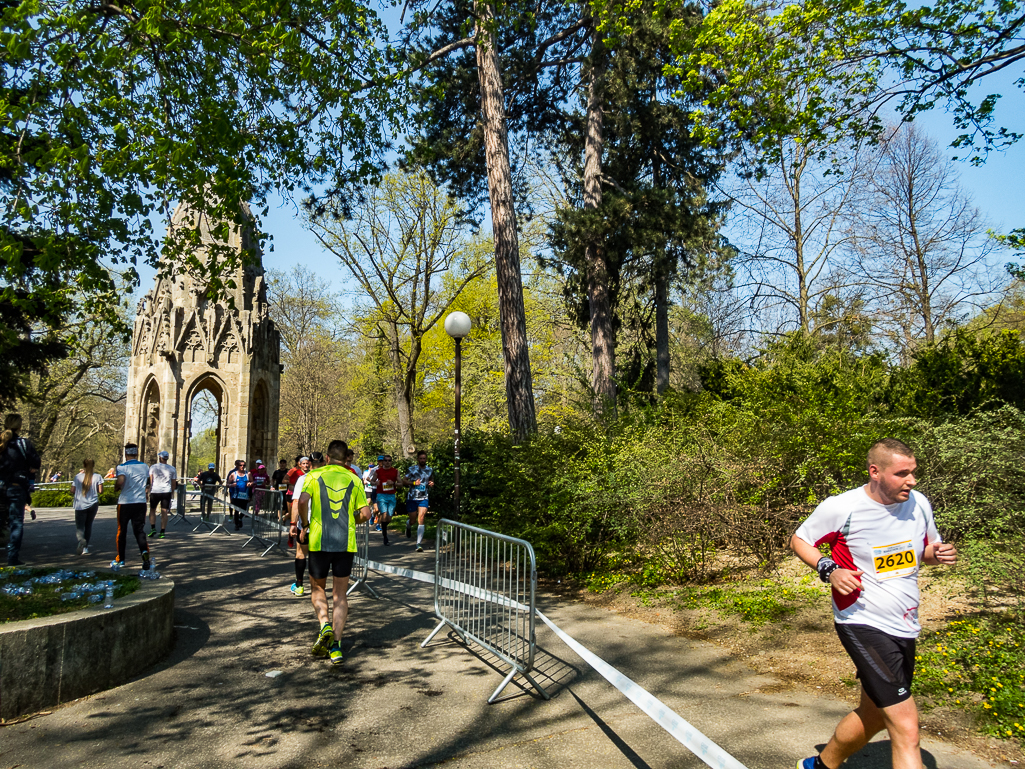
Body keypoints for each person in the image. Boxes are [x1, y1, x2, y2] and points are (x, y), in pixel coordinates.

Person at [791, 438, 958, 769]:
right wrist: (830, 569)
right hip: (862, 620)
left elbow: (919, 554)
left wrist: (937, 555)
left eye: (913, 473)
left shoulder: (919, 503)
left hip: (905, 623)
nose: (911, 481)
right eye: (902, 474)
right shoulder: (843, 506)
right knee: (907, 728)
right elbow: (800, 539)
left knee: (875, 714)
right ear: (875, 472)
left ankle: (821, 766)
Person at [296, 440, 371, 665]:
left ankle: (324, 625)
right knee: (340, 595)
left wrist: (305, 523)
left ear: (327, 458)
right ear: (346, 458)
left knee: (317, 587)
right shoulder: (354, 479)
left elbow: (302, 500)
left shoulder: (314, 476)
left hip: (319, 541)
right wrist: (351, 520)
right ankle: (336, 646)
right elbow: (366, 514)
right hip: (345, 543)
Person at [0, 414, 41, 566]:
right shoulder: (23, 444)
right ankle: (12, 558)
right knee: (16, 522)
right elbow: (36, 461)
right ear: (19, 426)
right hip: (17, 486)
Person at [113, 443, 152, 571]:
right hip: (140, 502)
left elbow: (121, 481)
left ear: (125, 454)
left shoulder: (122, 467)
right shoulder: (144, 466)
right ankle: (145, 554)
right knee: (139, 531)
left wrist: (116, 487)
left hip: (125, 502)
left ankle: (121, 559)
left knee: (122, 531)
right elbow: (148, 482)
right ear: (136, 453)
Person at [288, 454, 318, 596]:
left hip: (306, 523)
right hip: (322, 524)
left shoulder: (303, 479)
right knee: (316, 555)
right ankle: (317, 587)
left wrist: (293, 523)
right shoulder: (326, 478)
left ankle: (299, 585)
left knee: (301, 553)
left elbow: (297, 502)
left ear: (311, 464)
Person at [403, 450, 435, 552]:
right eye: (420, 458)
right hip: (412, 498)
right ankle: (408, 525)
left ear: (426, 459)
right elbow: (404, 481)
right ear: (417, 459)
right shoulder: (412, 469)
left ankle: (418, 543)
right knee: (413, 520)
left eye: (424, 458)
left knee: (421, 518)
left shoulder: (429, 470)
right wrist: (413, 483)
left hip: (424, 497)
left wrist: (431, 483)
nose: (422, 460)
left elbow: (431, 478)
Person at [73, 458, 103, 555]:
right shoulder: (98, 477)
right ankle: (85, 548)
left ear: (83, 465)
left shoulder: (77, 477)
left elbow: (72, 490)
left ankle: (81, 540)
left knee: (80, 526)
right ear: (93, 465)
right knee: (88, 525)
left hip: (80, 504)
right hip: (93, 503)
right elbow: (100, 491)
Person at [368, 454, 398, 546]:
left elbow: (401, 483)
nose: (387, 462)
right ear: (383, 462)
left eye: (389, 461)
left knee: (388, 518)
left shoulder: (395, 471)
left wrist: (393, 483)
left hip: (391, 496)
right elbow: (371, 481)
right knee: (384, 515)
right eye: (386, 461)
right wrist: (375, 482)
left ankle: (382, 523)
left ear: (391, 462)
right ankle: (385, 537)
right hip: (381, 495)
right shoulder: (378, 471)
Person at [148, 450, 178, 538]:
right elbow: (173, 483)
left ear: (160, 457)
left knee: (152, 510)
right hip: (166, 491)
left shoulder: (153, 467)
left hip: (155, 491)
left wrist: (149, 489)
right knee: (164, 511)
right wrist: (172, 493)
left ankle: (153, 527)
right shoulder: (172, 469)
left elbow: (151, 480)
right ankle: (162, 531)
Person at [225, 459, 252, 530]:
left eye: (244, 465)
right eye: (240, 465)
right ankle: (236, 524)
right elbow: (227, 484)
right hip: (236, 495)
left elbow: (252, 482)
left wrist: (250, 484)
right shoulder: (233, 474)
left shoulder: (248, 474)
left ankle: (240, 518)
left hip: (245, 495)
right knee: (236, 510)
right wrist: (231, 485)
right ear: (237, 466)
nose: (242, 467)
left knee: (244, 509)